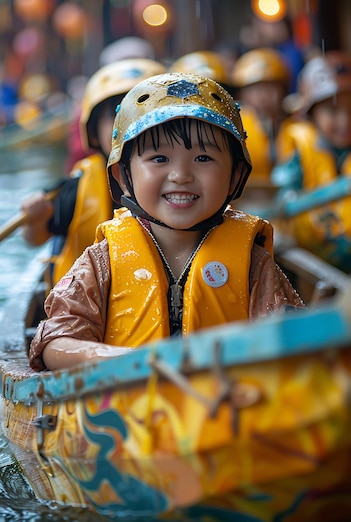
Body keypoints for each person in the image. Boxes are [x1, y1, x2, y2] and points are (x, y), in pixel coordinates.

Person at [29, 72, 304, 372]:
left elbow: (293, 344)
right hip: (125, 413)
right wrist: (134, 361)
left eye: (203, 158)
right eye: (159, 158)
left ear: (235, 175)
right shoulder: (101, 260)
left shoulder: (253, 262)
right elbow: (54, 343)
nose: (181, 175)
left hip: (224, 408)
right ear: (123, 176)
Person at [21, 57, 166, 286]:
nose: (132, 126)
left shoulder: (186, 179)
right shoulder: (78, 188)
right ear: (95, 133)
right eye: (117, 115)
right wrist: (34, 220)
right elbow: (35, 238)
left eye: (146, 113)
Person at [271, 50, 351, 273]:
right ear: (312, 114)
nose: (345, 121)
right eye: (333, 110)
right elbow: (283, 196)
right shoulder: (299, 147)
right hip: (313, 257)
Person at [231, 47, 293, 186]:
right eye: (255, 89)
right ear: (243, 93)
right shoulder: (236, 125)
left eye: (270, 87)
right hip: (248, 196)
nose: (263, 96)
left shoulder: (293, 125)